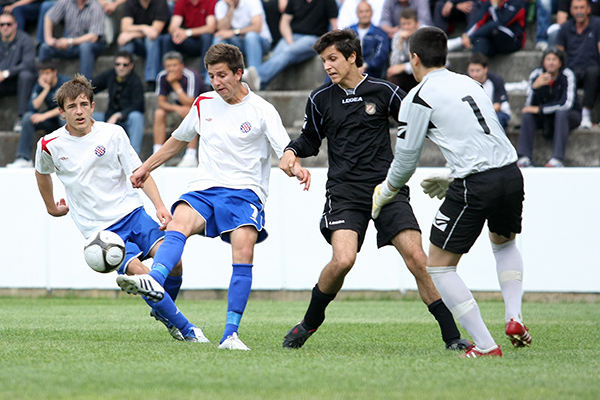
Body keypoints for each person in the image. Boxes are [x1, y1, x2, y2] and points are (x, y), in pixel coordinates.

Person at [280, 29, 470, 351]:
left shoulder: (384, 91)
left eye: (333, 58)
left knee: (417, 258)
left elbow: (421, 123)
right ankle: (310, 323)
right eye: (324, 60)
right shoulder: (320, 99)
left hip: (387, 189)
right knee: (343, 260)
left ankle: (452, 337)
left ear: (352, 57)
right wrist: (290, 152)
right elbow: (310, 139)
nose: (327, 66)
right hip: (344, 193)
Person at [117, 43, 311, 351]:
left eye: (222, 75)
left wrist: (295, 167)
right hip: (205, 188)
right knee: (178, 223)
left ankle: (230, 335)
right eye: (211, 76)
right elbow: (177, 141)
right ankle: (155, 279)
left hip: (245, 192)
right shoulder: (203, 103)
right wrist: (145, 168)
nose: (217, 82)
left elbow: (285, 151)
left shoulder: (262, 110)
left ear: (238, 73)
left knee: (244, 250)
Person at [372, 26, 531, 357]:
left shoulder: (418, 97)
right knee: (504, 244)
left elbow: (404, 163)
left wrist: (385, 192)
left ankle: (485, 345)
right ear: (445, 55)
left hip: (477, 182)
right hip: (510, 173)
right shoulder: (470, 83)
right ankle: (514, 317)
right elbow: (482, 136)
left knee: (440, 267)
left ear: (413, 59)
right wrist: (453, 174)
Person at [33, 75, 208, 343]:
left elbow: (140, 173)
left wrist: (159, 206)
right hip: (101, 232)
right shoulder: (49, 145)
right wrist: (51, 207)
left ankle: (164, 311)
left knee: (174, 263)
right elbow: (41, 173)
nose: (78, 111)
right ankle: (188, 330)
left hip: (133, 214)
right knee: (142, 274)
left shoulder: (113, 134)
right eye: (72, 107)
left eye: (83, 104)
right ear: (61, 112)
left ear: (93, 106)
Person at [250, 0, 338, 89]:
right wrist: (289, 40)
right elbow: (284, 22)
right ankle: (260, 84)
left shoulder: (328, 1)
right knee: (277, 52)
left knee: (288, 51)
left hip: (314, 39)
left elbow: (334, 25)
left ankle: (258, 75)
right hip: (292, 36)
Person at [516, 47, 580, 168]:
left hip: (568, 116)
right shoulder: (536, 75)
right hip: (546, 117)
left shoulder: (567, 74)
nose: (551, 62)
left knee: (561, 113)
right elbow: (528, 106)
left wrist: (540, 109)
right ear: (543, 62)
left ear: (560, 63)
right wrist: (534, 88)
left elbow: (566, 104)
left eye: (554, 59)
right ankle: (524, 157)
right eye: (548, 59)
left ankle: (557, 159)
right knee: (527, 115)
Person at [6, 60, 68, 168]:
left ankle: (69, 155)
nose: (44, 77)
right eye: (42, 74)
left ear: (55, 72)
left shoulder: (65, 83)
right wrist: (45, 89)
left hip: (64, 120)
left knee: (63, 115)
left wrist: (44, 116)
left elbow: (67, 108)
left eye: (47, 73)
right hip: (51, 121)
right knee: (28, 117)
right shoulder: (41, 84)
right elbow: (33, 106)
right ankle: (24, 158)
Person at [153, 51, 206, 167]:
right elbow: (161, 103)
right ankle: (157, 154)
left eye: (174, 65)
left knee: (189, 111)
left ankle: (191, 156)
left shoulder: (191, 76)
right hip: (179, 110)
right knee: (159, 113)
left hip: (202, 113)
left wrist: (174, 84)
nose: (171, 69)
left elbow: (191, 102)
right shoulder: (162, 76)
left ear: (182, 65)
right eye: (168, 66)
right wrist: (176, 108)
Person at [555, 0, 600, 128]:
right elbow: (558, 53)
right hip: (572, 69)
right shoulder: (565, 28)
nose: (579, 11)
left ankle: (585, 113)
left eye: (582, 7)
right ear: (571, 11)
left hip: (592, 70)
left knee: (594, 72)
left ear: (588, 9)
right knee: (565, 74)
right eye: (576, 8)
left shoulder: (597, 24)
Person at [92, 51, 146, 155]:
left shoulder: (136, 82)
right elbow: (92, 86)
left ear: (131, 66)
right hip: (108, 118)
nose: (121, 67)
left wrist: (119, 115)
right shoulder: (111, 74)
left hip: (126, 121)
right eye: (118, 64)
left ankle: (134, 157)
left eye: (125, 65)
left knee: (137, 117)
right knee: (81, 117)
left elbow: (138, 105)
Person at [38, 0, 106, 79]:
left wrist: (69, 41)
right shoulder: (66, 2)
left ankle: (84, 86)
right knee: (45, 47)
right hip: (71, 45)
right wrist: (48, 38)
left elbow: (93, 37)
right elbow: (48, 16)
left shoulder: (95, 6)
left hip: (94, 45)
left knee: (85, 47)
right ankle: (40, 84)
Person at [160, 0, 218, 84]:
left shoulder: (210, 1)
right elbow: (172, 28)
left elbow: (211, 28)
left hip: (203, 42)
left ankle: (205, 76)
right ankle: (166, 75)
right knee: (168, 38)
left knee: (206, 37)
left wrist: (187, 33)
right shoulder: (182, 2)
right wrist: (178, 32)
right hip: (189, 42)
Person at [117, 0, 170, 91]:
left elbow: (154, 32)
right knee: (124, 41)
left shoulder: (161, 2)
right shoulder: (130, 2)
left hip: (158, 43)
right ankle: (123, 79)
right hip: (138, 41)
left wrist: (131, 34)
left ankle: (151, 80)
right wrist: (144, 28)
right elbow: (125, 27)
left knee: (151, 40)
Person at [0, 12, 36, 133]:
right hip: (2, 83)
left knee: (26, 75)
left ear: (15, 25)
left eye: (8, 24)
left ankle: (21, 117)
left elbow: (29, 64)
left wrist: (6, 73)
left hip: (18, 82)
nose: (5, 27)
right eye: (2, 24)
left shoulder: (25, 40)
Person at [212, 0, 272, 73]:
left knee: (250, 36)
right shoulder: (221, 5)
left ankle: (254, 74)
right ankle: (214, 79)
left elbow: (257, 27)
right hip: (239, 42)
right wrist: (230, 9)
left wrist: (234, 32)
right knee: (219, 38)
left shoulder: (252, 1)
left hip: (261, 41)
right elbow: (222, 29)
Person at [451, 0, 526, 57]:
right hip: (493, 40)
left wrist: (494, 6)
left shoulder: (517, 3)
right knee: (479, 41)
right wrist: (466, 35)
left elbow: (501, 21)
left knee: (493, 26)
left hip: (512, 41)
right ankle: (475, 72)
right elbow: (478, 20)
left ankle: (461, 41)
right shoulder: (489, 3)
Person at [466, 52, 511, 130]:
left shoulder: (496, 80)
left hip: (495, 113)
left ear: (485, 69)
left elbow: (497, 106)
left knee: (496, 120)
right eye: (472, 71)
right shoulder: (465, 81)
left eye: (478, 70)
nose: (475, 74)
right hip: (474, 114)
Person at [349, 0, 389, 78]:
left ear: (371, 13)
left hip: (372, 73)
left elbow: (381, 56)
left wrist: (366, 65)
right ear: (357, 14)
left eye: (367, 11)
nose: (364, 14)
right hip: (350, 70)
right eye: (361, 12)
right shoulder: (349, 32)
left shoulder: (380, 34)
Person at [386, 7, 419, 92]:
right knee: (392, 77)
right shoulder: (398, 36)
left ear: (417, 24)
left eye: (409, 23)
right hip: (409, 74)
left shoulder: (424, 34)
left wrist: (403, 67)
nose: (406, 27)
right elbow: (394, 65)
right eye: (403, 24)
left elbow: (425, 63)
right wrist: (400, 43)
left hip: (423, 72)